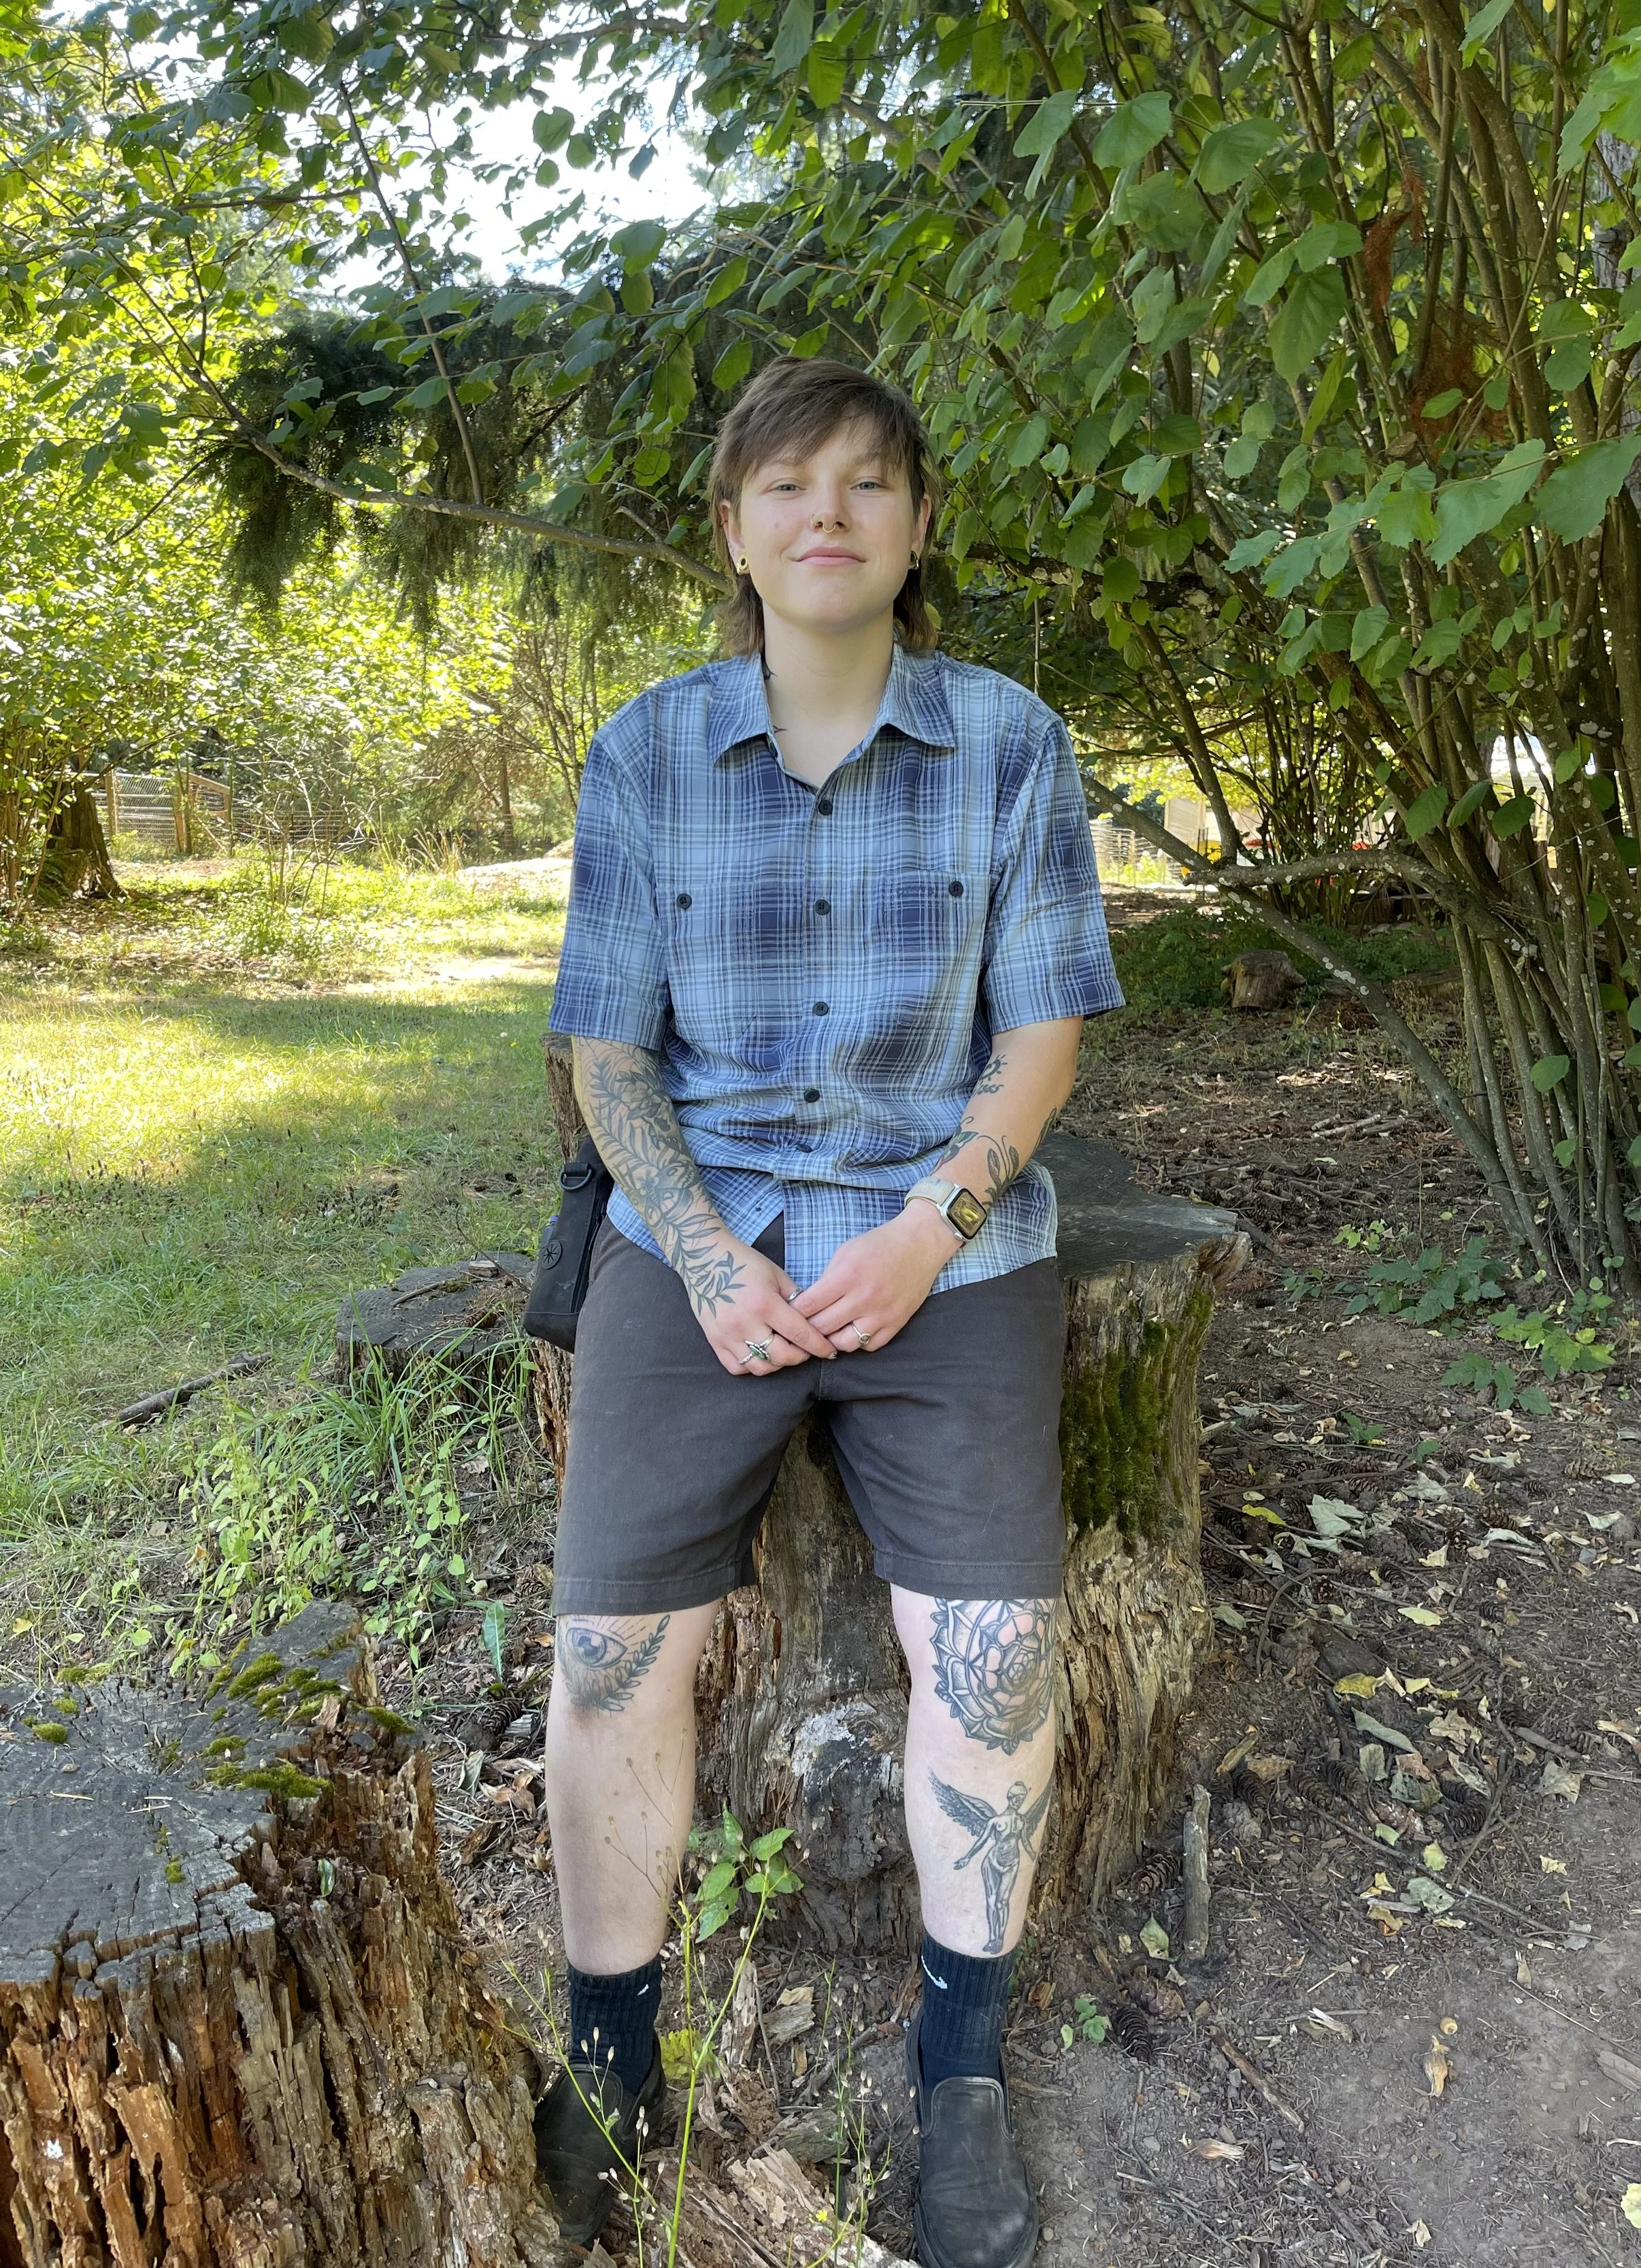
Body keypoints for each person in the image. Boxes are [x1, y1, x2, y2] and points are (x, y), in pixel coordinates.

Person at [535, 354, 1125, 2268]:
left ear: (916, 524)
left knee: (995, 1643)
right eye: (786, 487)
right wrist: (706, 1255)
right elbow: (606, 1050)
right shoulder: (643, 750)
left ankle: (958, 2062)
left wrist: (931, 1224)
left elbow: (1043, 1031)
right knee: (613, 1643)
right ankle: (612, 2046)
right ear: (733, 530)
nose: (826, 517)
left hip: (940, 1235)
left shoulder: (1011, 742)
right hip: (697, 1223)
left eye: (867, 486)